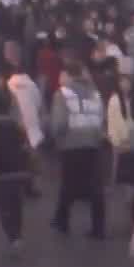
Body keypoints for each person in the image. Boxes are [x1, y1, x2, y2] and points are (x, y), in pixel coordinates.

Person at [49, 57, 108, 238]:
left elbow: (59, 123)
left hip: (71, 145)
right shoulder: (95, 94)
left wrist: (56, 139)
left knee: (68, 184)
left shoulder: (62, 94)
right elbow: (102, 118)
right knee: (96, 188)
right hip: (93, 144)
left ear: (68, 75)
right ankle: (98, 227)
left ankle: (62, 222)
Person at [0, 91, 33, 247]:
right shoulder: (18, 128)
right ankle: (18, 233)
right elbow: (26, 148)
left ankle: (13, 236)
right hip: (19, 173)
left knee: (4, 207)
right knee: (16, 204)